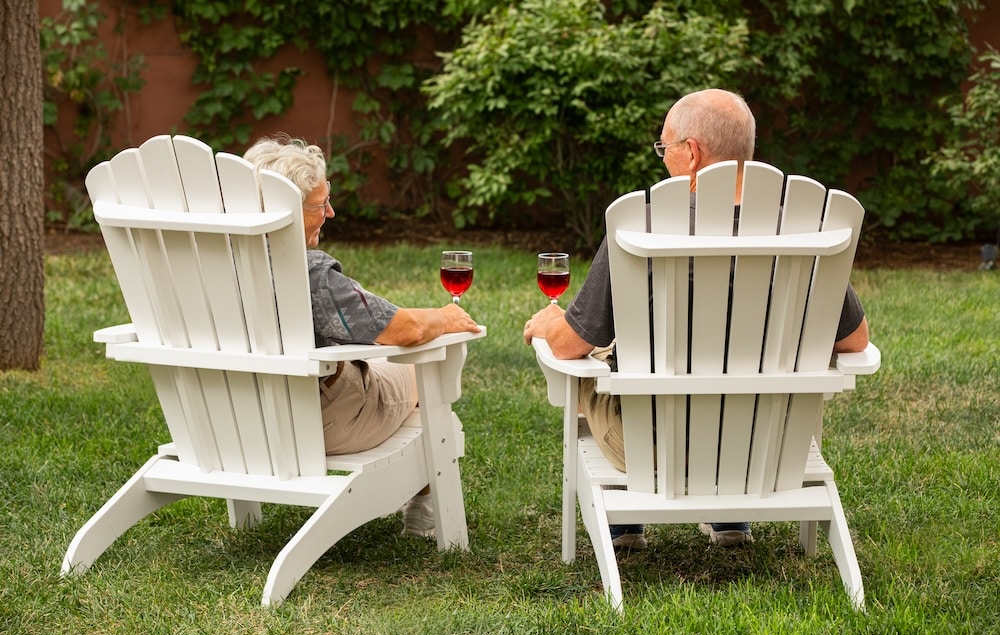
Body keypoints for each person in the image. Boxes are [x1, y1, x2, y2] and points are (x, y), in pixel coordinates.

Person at [522, 89, 870, 550]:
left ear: (692, 153)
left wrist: (548, 324)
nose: (662, 157)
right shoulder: (803, 230)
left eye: (664, 148)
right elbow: (856, 343)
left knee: (597, 357)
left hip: (652, 451)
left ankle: (625, 526)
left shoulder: (639, 225)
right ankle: (729, 516)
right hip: (765, 448)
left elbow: (570, 346)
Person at [244, 134, 481, 538]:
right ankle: (424, 509)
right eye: (320, 205)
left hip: (237, 420)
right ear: (287, 209)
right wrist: (444, 317)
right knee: (428, 369)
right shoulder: (308, 274)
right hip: (313, 422)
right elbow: (407, 330)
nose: (331, 213)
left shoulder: (201, 261)